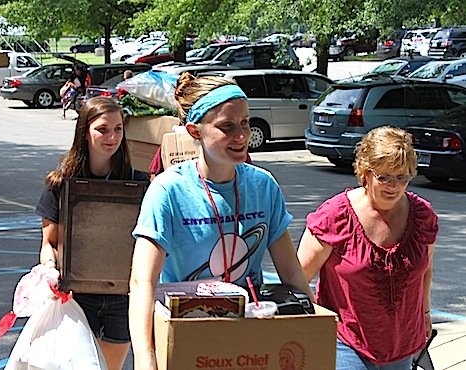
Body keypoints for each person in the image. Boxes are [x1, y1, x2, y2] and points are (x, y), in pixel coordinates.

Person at [129, 72, 314, 369]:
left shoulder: (263, 186)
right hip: (187, 336)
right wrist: (145, 357)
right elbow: (141, 283)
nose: (241, 136)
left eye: (245, 123)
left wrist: (311, 332)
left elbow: (291, 271)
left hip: (250, 340)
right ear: (195, 131)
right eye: (227, 127)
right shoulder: (168, 190)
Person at [297, 126, 438, 370]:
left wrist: (425, 314)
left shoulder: (423, 215)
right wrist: (317, 327)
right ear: (365, 172)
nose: (393, 186)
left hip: (403, 343)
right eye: (384, 177)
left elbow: (425, 271)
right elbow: (297, 279)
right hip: (347, 343)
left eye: (402, 177)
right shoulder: (334, 216)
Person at [35, 97, 148, 370]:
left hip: (122, 296)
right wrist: (50, 268)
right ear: (85, 130)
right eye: (103, 129)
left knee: (111, 368)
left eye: (118, 129)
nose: (112, 137)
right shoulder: (60, 183)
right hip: (77, 296)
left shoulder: (140, 183)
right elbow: (49, 243)